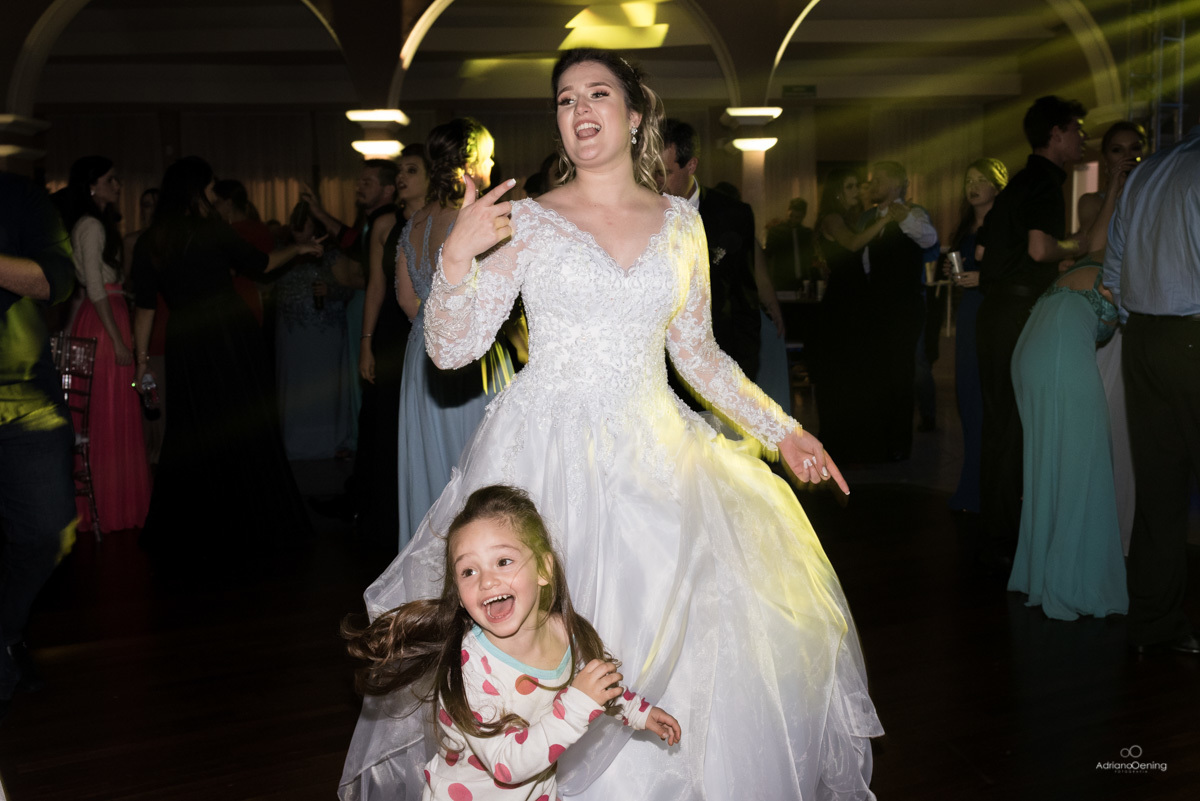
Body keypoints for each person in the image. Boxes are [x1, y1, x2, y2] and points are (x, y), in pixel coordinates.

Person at [341, 48, 881, 801]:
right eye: (565, 99)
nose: (580, 109)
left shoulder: (682, 224)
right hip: (546, 447)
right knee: (546, 631)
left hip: (657, 450)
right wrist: (457, 256)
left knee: (699, 634)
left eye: (597, 93)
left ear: (634, 115)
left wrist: (780, 428)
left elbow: (699, 354)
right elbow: (452, 348)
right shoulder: (527, 220)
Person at [344, 485, 680, 800]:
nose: (487, 581)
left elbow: (596, 685)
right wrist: (577, 705)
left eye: (503, 562)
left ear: (543, 570)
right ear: (458, 595)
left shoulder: (568, 633)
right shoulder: (470, 670)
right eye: (468, 571)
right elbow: (509, 765)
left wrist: (639, 713)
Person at [131, 156, 322, 570]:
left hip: (186, 338)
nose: (214, 193)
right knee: (242, 420)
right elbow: (262, 264)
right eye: (210, 186)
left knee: (195, 425)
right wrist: (300, 248)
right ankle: (254, 517)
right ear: (196, 190)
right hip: (227, 330)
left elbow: (144, 308)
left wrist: (140, 360)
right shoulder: (211, 229)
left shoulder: (151, 242)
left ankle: (199, 525)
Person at [976, 96, 1094, 564]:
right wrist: (1078, 244)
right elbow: (1041, 250)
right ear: (1056, 134)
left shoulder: (1022, 182)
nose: (1083, 137)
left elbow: (989, 248)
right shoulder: (1043, 183)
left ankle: (998, 532)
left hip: (995, 312)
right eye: (1077, 129)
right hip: (1016, 313)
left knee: (1000, 423)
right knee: (1015, 426)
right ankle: (1010, 540)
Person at [1103, 118, 1200, 656]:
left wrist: (1135, 319)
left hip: (1141, 339)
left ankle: (1155, 623)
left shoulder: (1148, 172)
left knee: (1160, 492)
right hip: (1191, 338)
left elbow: (1113, 269)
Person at [395, 119, 514, 553]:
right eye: (488, 156)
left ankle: (435, 565)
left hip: (422, 356)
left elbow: (408, 302)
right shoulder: (478, 218)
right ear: (469, 163)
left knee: (433, 464)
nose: (493, 164)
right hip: (473, 352)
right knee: (481, 463)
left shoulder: (414, 223)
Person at [0, 170, 77, 722]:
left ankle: (6, 630)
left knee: (50, 533)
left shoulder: (17, 195)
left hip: (23, 401)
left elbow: (58, 280)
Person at [1008, 263, 1127, 619]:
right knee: (1085, 464)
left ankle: (1041, 573)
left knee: (1046, 466)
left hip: (1029, 355)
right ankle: (1074, 581)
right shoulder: (1116, 266)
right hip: (1060, 357)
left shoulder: (1075, 268)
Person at [57, 156, 152, 533]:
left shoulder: (94, 224)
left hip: (105, 317)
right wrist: (117, 340)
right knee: (107, 415)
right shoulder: (91, 225)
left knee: (108, 414)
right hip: (104, 322)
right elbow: (96, 288)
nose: (117, 185)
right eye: (111, 179)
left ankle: (111, 505)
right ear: (92, 185)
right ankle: (111, 507)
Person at [1077, 121, 1146, 555]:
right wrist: (1116, 191)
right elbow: (1093, 247)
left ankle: (1123, 534)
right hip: (1101, 322)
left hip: (1138, 319)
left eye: (1135, 148)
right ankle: (1094, 530)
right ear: (1106, 159)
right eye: (1118, 150)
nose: (1127, 156)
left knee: (1127, 430)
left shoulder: (1151, 196)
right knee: (1100, 423)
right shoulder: (1091, 201)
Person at [657, 118, 761, 383]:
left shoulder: (733, 215)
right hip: (656, 371)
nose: (656, 182)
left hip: (715, 365)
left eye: (665, 173)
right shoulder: (638, 212)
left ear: (691, 165)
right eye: (651, 171)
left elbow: (744, 300)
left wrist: (745, 374)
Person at [812, 167, 904, 462]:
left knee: (857, 373)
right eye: (850, 186)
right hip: (844, 304)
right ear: (838, 192)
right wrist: (886, 219)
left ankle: (859, 444)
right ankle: (846, 446)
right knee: (847, 373)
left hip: (853, 300)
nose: (857, 190)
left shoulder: (849, 218)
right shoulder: (832, 217)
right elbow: (852, 244)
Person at [859, 161, 939, 461]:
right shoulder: (870, 218)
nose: (872, 185)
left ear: (896, 184)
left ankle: (899, 444)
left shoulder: (914, 214)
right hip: (877, 307)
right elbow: (866, 263)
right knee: (880, 373)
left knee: (903, 373)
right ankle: (880, 438)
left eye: (878, 180)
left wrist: (902, 216)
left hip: (905, 307)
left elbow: (930, 239)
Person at [946, 158, 1008, 513]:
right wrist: (955, 271)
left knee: (986, 399)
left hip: (992, 312)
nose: (973, 186)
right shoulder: (966, 226)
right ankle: (973, 483)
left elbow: (1018, 270)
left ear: (997, 185)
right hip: (969, 312)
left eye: (981, 179)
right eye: (969, 180)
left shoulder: (1004, 224)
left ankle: (985, 488)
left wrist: (983, 278)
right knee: (968, 396)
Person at [274, 201, 355, 460]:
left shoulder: (330, 253)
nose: (299, 234)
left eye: (304, 227)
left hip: (323, 331)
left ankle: (328, 441)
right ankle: (294, 442)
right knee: (295, 386)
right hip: (291, 333)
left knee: (323, 386)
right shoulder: (284, 252)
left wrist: (330, 291)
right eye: (295, 228)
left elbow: (352, 287)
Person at [764, 197, 815, 292]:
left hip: (802, 280)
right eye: (791, 215)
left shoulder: (806, 233)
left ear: (803, 216)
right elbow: (768, 254)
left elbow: (810, 255)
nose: (793, 219)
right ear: (787, 211)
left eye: (797, 217)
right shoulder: (776, 231)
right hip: (782, 281)